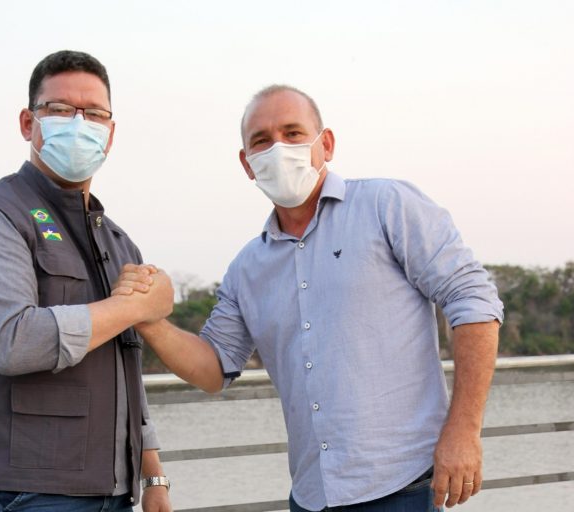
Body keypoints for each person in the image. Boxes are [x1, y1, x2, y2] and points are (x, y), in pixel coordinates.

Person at [113, 85, 504, 511]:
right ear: (246, 163)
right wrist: (146, 317)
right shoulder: (247, 268)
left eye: (293, 133)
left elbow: (473, 300)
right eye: (261, 140)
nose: (278, 148)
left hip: (404, 486)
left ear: (326, 144)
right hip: (311, 496)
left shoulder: (386, 206)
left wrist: (464, 431)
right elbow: (213, 368)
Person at [0, 50, 174, 512]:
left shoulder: (118, 242)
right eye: (61, 109)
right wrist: (134, 306)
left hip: (115, 492)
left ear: (110, 134)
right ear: (29, 123)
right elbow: (11, 342)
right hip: (27, 494)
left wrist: (154, 476)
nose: (79, 124)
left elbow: (129, 374)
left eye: (95, 114)